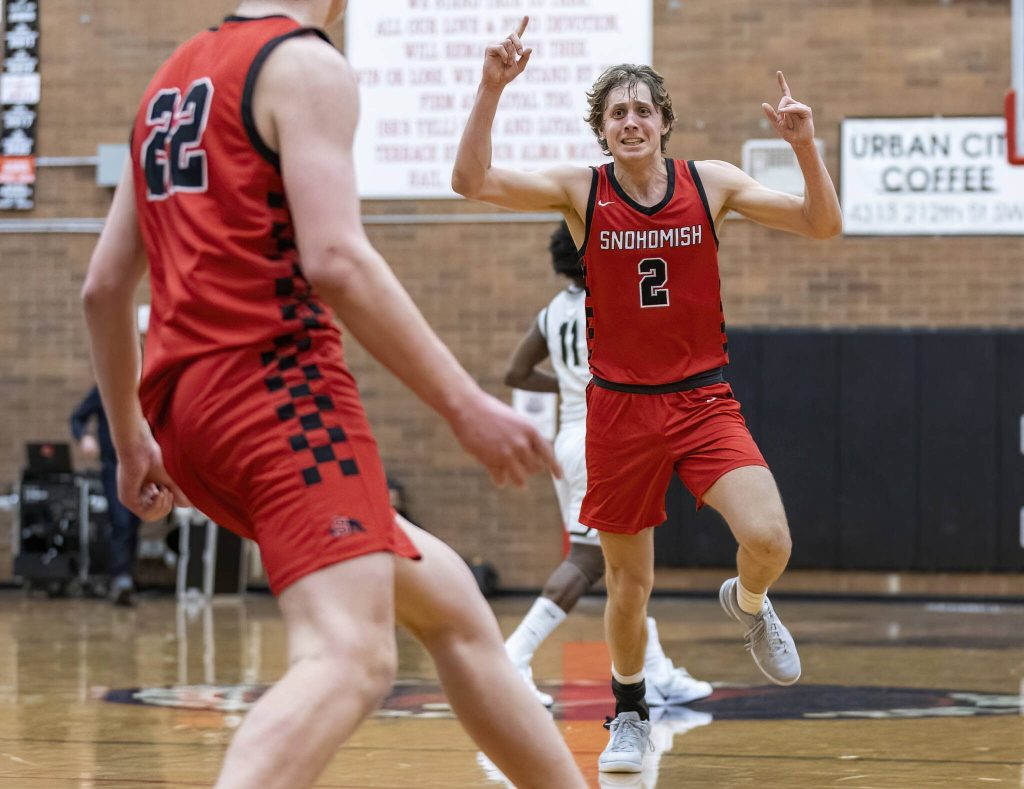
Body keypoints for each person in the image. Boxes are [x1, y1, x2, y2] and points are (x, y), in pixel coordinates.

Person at [81, 2, 586, 787]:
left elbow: (103, 288)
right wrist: (466, 404)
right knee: (351, 655)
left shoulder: (169, 84)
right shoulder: (303, 64)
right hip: (278, 397)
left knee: (449, 602)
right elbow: (337, 261)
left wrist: (129, 439)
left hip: (186, 420)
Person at [452, 16, 843, 774]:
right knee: (630, 584)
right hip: (620, 409)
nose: (630, 121)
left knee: (770, 540)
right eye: (616, 113)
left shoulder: (712, 183)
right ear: (603, 130)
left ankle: (751, 603)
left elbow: (821, 226)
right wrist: (490, 88)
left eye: (642, 109)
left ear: (664, 121)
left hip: (701, 399)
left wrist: (804, 146)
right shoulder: (583, 190)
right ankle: (627, 712)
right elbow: (472, 182)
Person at [503, 223, 712, 710]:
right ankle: (513, 654)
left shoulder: (552, 312)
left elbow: (514, 373)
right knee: (592, 560)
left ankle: (654, 672)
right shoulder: (617, 300)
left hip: (568, 439)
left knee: (629, 563)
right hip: (604, 441)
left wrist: (568, 387)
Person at [70, 385, 141, 605]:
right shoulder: (105, 386)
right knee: (120, 520)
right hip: (113, 467)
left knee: (133, 522)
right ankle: (120, 578)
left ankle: (127, 576)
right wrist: (84, 438)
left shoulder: (146, 385)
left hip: (141, 465)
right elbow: (77, 418)